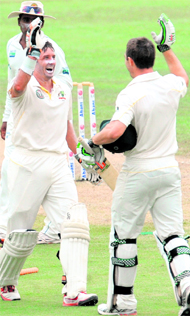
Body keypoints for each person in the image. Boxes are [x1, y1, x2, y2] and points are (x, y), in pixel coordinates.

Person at [78, 14, 190, 316]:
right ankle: (187, 284)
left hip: (138, 173)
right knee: (173, 235)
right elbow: (182, 76)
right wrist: (167, 48)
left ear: (130, 61)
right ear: (150, 58)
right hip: (168, 172)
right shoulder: (171, 85)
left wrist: (95, 140)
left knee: (123, 236)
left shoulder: (132, 92)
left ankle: (123, 303)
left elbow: (116, 131)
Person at [0, 18, 100, 305]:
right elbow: (16, 88)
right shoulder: (24, 86)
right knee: (19, 232)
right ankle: (6, 282)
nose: (51, 60)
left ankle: (74, 290)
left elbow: (66, 125)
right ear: (34, 60)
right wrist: (30, 54)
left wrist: (80, 154)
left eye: (53, 56)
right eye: (45, 56)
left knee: (74, 223)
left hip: (57, 164)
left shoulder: (62, 88)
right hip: (25, 163)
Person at [0, 1, 72, 244]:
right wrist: (7, 116)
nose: (28, 23)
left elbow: (65, 85)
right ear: (19, 20)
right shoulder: (11, 44)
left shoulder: (52, 49)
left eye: (34, 20)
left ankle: (52, 230)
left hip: (45, 115)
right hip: (20, 114)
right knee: (8, 169)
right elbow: (14, 83)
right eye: (24, 18)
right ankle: (4, 229)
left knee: (50, 173)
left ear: (40, 22)